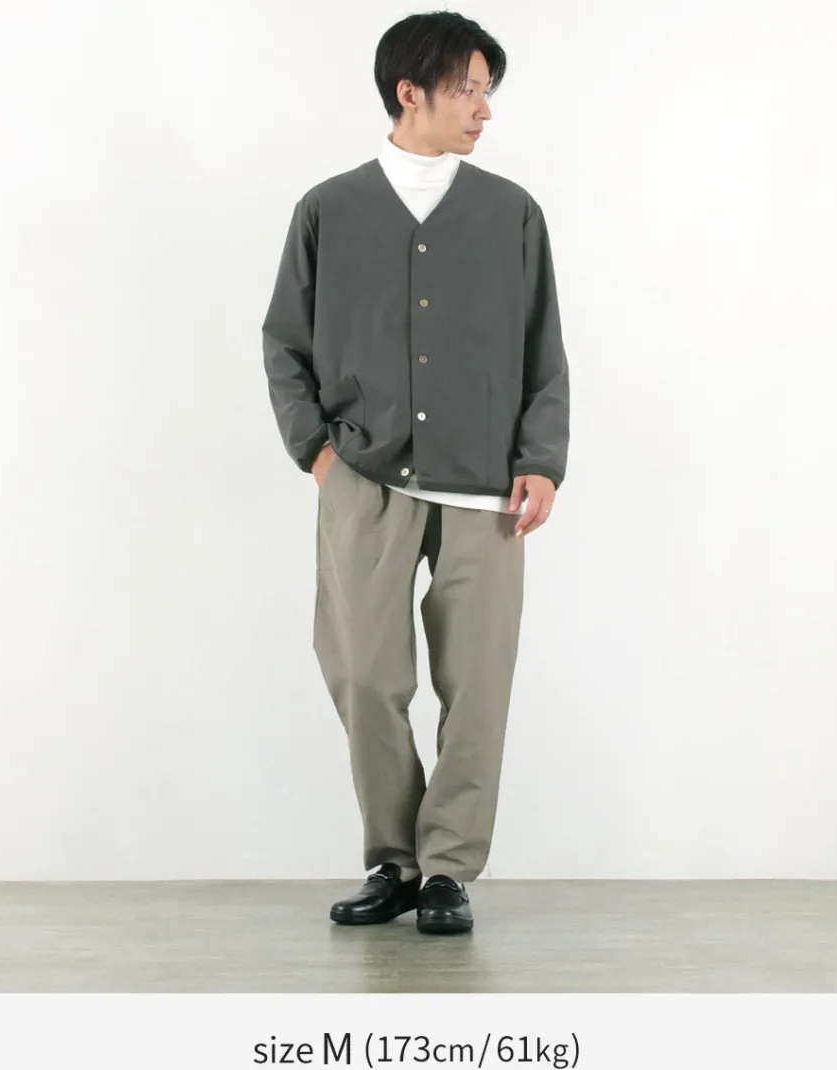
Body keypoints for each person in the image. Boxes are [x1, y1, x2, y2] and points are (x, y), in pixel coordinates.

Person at [262, 11, 570, 935]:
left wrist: (541, 459)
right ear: (411, 92)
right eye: (469, 89)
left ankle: (447, 871)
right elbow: (284, 343)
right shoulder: (329, 210)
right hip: (363, 479)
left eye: (488, 91)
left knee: (477, 685)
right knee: (363, 675)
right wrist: (317, 452)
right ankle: (394, 861)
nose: (485, 109)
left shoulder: (512, 213)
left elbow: (543, 348)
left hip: (487, 491)